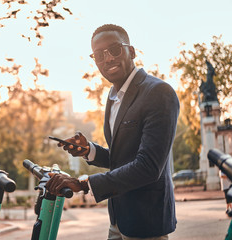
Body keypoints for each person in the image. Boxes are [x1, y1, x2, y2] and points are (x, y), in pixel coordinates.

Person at [46, 24, 180, 240]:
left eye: (115, 50)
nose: (107, 59)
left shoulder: (158, 92)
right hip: (118, 218)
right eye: (99, 55)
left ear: (132, 52)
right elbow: (123, 158)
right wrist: (90, 151)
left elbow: (148, 166)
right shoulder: (113, 96)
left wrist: (83, 184)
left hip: (146, 221)